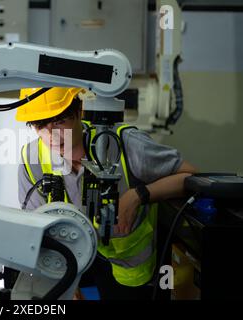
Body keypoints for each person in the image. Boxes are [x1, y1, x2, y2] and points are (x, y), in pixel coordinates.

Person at [16, 87, 197, 300]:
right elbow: (35, 230)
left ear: (79, 110)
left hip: (129, 267)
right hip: (72, 261)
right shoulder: (32, 158)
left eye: (58, 121)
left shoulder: (126, 144)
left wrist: (138, 195)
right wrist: (64, 283)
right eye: (40, 125)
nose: (51, 135)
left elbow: (191, 176)